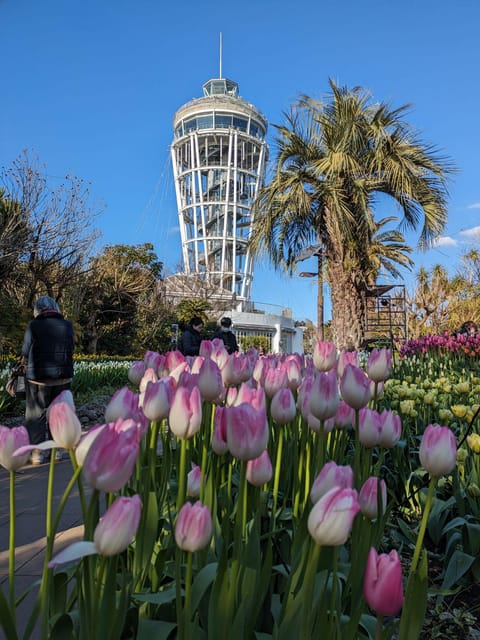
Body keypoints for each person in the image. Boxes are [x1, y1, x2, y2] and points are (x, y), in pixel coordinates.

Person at [22, 296, 74, 464]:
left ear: (38, 310)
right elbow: (71, 347)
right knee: (58, 413)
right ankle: (56, 450)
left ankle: (37, 453)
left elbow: (25, 349)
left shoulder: (34, 325)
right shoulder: (67, 325)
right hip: (63, 377)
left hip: (39, 378)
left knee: (36, 414)